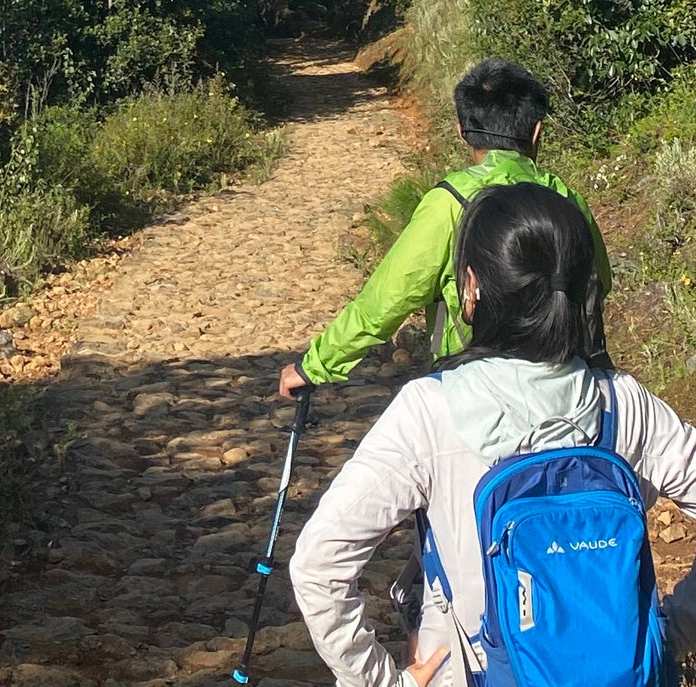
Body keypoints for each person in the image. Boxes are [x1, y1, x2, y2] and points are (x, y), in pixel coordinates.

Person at [288, 183, 696, 687]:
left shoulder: (428, 410)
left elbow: (316, 566)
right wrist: (672, 629)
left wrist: (380, 681)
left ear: (471, 288)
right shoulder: (622, 402)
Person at [278, 57, 611, 400]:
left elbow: (388, 298)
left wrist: (316, 364)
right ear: (537, 131)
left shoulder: (450, 202)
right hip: (572, 382)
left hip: (471, 385)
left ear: (462, 132)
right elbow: (600, 282)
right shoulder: (568, 200)